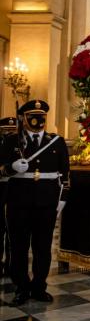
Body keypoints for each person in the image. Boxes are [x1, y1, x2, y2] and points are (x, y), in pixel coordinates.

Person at [1, 100, 70, 305]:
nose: (38, 119)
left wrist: (62, 199)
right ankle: (22, 287)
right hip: (18, 202)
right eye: (33, 115)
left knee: (42, 246)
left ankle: (39, 286)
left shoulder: (56, 141)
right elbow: (1, 169)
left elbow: (65, 174)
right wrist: (12, 167)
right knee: (19, 246)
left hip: (47, 202)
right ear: (24, 117)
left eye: (42, 116)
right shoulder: (12, 141)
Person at [0, 116, 18, 276]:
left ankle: (11, 264)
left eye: (12, 131)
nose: (9, 133)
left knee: (14, 231)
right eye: (6, 130)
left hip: (15, 190)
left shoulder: (20, 145)